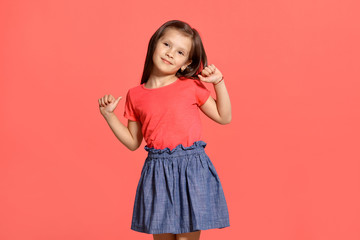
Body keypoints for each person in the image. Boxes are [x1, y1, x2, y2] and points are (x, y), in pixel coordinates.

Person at [98, 20, 231, 240]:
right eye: (166, 44)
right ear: (154, 44)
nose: (170, 53)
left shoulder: (191, 86)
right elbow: (133, 142)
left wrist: (219, 83)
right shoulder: (135, 95)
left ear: (186, 63)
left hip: (191, 169)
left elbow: (224, 117)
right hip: (158, 172)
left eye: (179, 52)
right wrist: (109, 116)